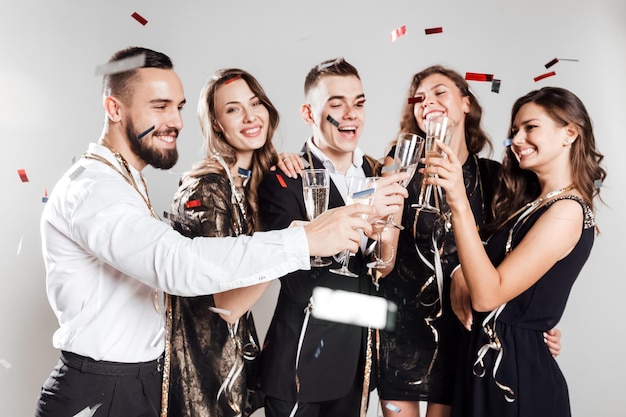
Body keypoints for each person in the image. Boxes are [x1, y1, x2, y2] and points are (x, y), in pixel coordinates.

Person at [34, 47, 374, 417]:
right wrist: (302, 239)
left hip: (145, 380)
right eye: (159, 106)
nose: (176, 121)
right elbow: (178, 264)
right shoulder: (96, 189)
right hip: (104, 388)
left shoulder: (126, 179)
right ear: (115, 109)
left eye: (177, 107)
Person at [375, 65, 562, 417]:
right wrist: (385, 218)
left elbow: (520, 256)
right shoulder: (395, 166)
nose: (426, 101)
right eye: (418, 98)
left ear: (466, 103)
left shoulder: (495, 177)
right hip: (402, 330)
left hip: (464, 331)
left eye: (439, 92)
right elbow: (381, 262)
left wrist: (537, 318)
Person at [425, 86, 605, 417]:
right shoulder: (532, 205)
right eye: (514, 131)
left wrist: (457, 199)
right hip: (484, 363)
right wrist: (461, 274)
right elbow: (489, 273)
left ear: (570, 133)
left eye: (530, 127)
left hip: (514, 378)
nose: (517, 139)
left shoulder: (568, 211)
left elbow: (487, 296)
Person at [257, 57, 409, 417]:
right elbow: (294, 279)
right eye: (336, 104)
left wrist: (387, 231)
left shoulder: (379, 173)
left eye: (358, 103)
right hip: (300, 362)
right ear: (309, 113)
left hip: (359, 362)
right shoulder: (285, 176)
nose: (351, 114)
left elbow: (381, 267)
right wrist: (365, 214)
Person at [166, 68, 291, 416]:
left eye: (256, 103)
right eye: (234, 109)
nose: (251, 116)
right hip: (203, 369)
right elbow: (227, 306)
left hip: (234, 359)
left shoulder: (256, 182)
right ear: (217, 124)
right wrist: (295, 242)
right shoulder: (207, 189)